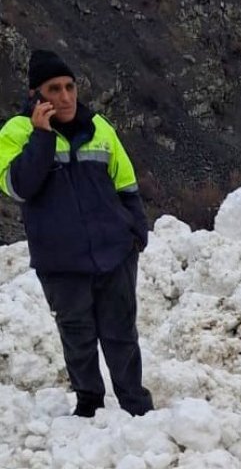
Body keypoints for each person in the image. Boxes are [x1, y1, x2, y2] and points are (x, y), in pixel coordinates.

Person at [0, 50, 154, 418]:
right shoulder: (15, 133)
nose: (66, 96)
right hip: (60, 262)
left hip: (114, 253)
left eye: (70, 87)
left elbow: (126, 183)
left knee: (121, 336)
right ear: (36, 95)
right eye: (54, 89)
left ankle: (136, 407)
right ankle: (89, 406)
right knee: (78, 338)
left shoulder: (100, 128)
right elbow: (19, 187)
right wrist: (41, 137)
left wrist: (136, 231)